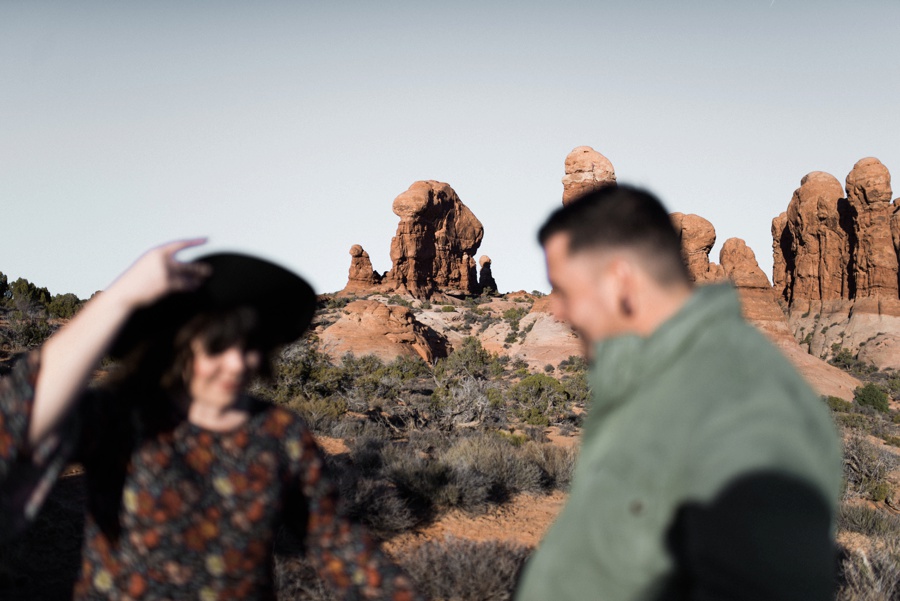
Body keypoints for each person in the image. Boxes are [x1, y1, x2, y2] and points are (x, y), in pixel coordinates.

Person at [0, 240, 422, 600]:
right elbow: (20, 414)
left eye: (251, 347)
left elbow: (334, 542)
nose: (238, 364)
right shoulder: (121, 417)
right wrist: (121, 298)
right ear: (181, 346)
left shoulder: (278, 432)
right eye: (218, 348)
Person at [514, 187, 842, 601]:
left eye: (564, 288)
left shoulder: (741, 399)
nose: (557, 310)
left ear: (620, 279)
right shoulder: (659, 380)